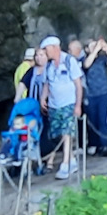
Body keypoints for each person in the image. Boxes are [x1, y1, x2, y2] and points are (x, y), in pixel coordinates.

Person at [17, 38, 83, 180]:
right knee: (58, 134)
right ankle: (72, 160)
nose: (45, 53)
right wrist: (43, 98)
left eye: (46, 50)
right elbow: (47, 83)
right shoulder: (49, 66)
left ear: (54, 47)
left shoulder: (69, 61)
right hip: (54, 105)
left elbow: (78, 84)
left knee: (67, 132)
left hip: (68, 103)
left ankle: (65, 164)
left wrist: (78, 105)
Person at [81, 37, 107, 159]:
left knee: (102, 120)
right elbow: (86, 65)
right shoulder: (84, 59)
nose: (95, 47)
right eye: (91, 46)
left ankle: (104, 145)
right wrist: (95, 50)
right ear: (86, 49)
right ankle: (94, 144)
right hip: (91, 95)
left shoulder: (102, 59)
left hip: (103, 93)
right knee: (93, 121)